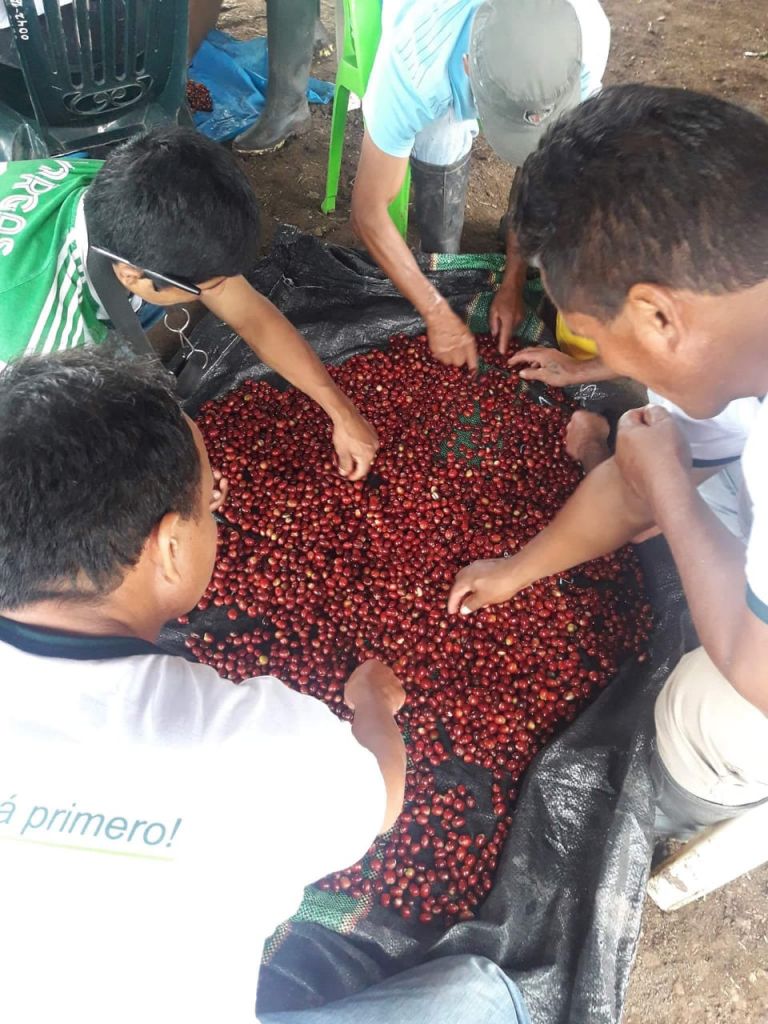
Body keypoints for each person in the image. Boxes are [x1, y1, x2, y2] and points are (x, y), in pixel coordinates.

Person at [0, 349, 530, 1024]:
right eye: (208, 504)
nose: (217, 511)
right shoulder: (243, 742)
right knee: (484, 998)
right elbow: (383, 795)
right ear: (170, 548)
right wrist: (373, 700)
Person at [448, 84, 768, 838]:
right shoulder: (735, 324)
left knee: (704, 715)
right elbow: (635, 478)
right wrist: (517, 570)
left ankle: (678, 816)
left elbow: (759, 670)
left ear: (657, 313)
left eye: (594, 334)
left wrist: (672, 492)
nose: (597, 356)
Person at [0, 126, 378, 479]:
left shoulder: (135, 191)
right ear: (133, 276)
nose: (223, 290)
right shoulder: (49, 341)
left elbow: (251, 315)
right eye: (208, 286)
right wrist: (185, 482)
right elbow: (72, 474)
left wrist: (342, 411)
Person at [350, 0, 610, 371]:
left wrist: (513, 280)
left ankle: (491, 258)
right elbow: (368, 210)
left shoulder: (585, 37)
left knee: (550, 164)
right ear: (468, 66)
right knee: (440, 142)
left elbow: (540, 169)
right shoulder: (417, 63)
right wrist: (434, 310)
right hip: (435, 44)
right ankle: (443, 262)